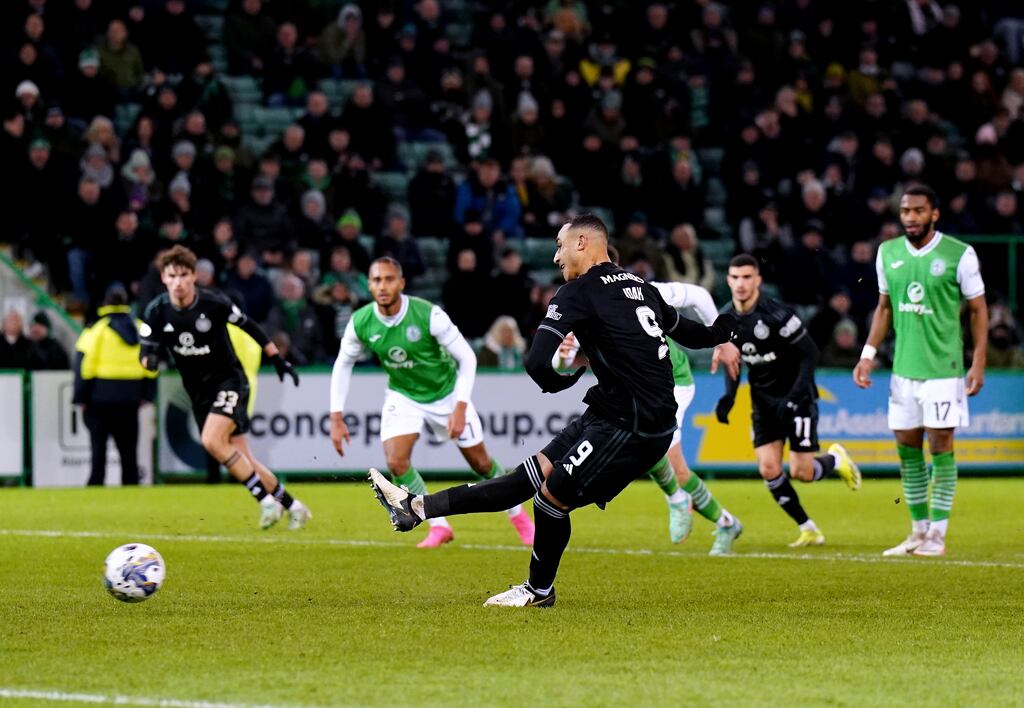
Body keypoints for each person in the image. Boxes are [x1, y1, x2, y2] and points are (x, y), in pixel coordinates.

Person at [368, 214, 736, 606]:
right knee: (524, 479)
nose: (557, 257)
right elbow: (694, 334)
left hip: (632, 424)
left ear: (583, 243)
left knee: (549, 499)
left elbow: (536, 363)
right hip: (616, 413)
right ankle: (416, 508)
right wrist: (729, 329)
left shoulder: (576, 293)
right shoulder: (640, 285)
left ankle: (539, 591)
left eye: (560, 245)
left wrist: (562, 381)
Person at [330, 257, 535, 548]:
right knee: (396, 461)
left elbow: (467, 357)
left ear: (401, 283)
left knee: (481, 462)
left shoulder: (429, 315)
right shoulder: (361, 321)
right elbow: (343, 364)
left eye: (389, 279)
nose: (383, 286)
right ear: (369, 284)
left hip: (447, 393)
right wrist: (336, 417)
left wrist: (460, 406)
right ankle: (438, 526)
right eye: (376, 280)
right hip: (403, 395)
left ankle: (519, 518)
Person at [554, 254, 743, 554]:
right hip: (639, 394)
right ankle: (717, 518)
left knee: (669, 461)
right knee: (651, 450)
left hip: (673, 383)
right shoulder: (585, 305)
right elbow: (561, 361)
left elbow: (698, 295)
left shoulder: (641, 289)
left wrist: (721, 340)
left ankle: (702, 512)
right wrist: (563, 353)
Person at [854, 185, 987, 557]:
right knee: (907, 449)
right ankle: (917, 531)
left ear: (934, 214)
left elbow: (978, 309)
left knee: (940, 445)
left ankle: (938, 536)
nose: (910, 217)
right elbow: (883, 308)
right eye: (905, 211)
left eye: (918, 210)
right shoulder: (888, 253)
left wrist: (977, 361)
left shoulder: (959, 254)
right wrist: (867, 354)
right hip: (903, 371)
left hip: (944, 371)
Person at [140, 245, 312, 530]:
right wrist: (149, 361)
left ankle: (265, 502)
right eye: (173, 276)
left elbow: (251, 326)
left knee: (210, 440)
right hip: (198, 393)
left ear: (194, 276)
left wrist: (277, 359)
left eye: (184, 275)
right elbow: (146, 352)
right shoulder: (156, 311)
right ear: (164, 278)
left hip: (229, 381)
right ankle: (294, 506)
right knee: (245, 459)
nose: (179, 282)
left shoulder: (213, 304)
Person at [714, 254, 861, 548]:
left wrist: (794, 398)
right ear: (728, 280)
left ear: (758, 280)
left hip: (798, 397)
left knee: (801, 472)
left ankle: (835, 460)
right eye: (735, 277)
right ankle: (808, 528)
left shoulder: (777, 314)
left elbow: (810, 354)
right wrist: (729, 397)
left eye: (747, 277)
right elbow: (733, 361)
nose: (741, 284)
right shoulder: (725, 319)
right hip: (764, 402)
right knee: (768, 468)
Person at [72, 286, 157, 485]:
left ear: (105, 304)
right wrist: (147, 393)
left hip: (99, 397)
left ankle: (96, 485)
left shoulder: (96, 329)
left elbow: (85, 365)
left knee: (98, 449)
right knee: (129, 451)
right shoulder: (139, 327)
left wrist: (80, 397)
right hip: (130, 397)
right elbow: (151, 362)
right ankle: (131, 486)